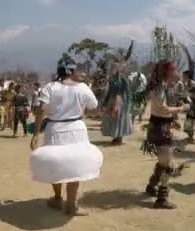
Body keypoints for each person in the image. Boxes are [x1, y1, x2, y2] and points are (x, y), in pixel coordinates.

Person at [30, 64, 102, 216]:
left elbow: (40, 112)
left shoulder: (50, 87)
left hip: (54, 129)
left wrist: (36, 134)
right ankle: (70, 205)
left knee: (55, 163)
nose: (79, 73)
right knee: (74, 166)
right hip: (77, 129)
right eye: (77, 70)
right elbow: (94, 107)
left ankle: (57, 198)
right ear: (70, 72)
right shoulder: (82, 88)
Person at [142, 61, 187, 209]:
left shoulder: (166, 86)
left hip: (161, 125)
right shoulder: (160, 87)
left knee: (164, 161)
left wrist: (174, 119)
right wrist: (181, 109)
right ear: (167, 72)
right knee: (168, 164)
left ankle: (151, 185)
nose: (177, 72)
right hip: (160, 127)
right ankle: (162, 198)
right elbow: (162, 108)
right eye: (174, 69)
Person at [101, 67, 133, 145]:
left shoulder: (123, 79)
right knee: (112, 118)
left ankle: (119, 137)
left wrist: (129, 103)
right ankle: (115, 136)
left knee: (120, 119)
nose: (113, 71)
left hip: (120, 100)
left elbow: (128, 92)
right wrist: (105, 102)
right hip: (112, 100)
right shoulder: (111, 79)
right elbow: (109, 92)